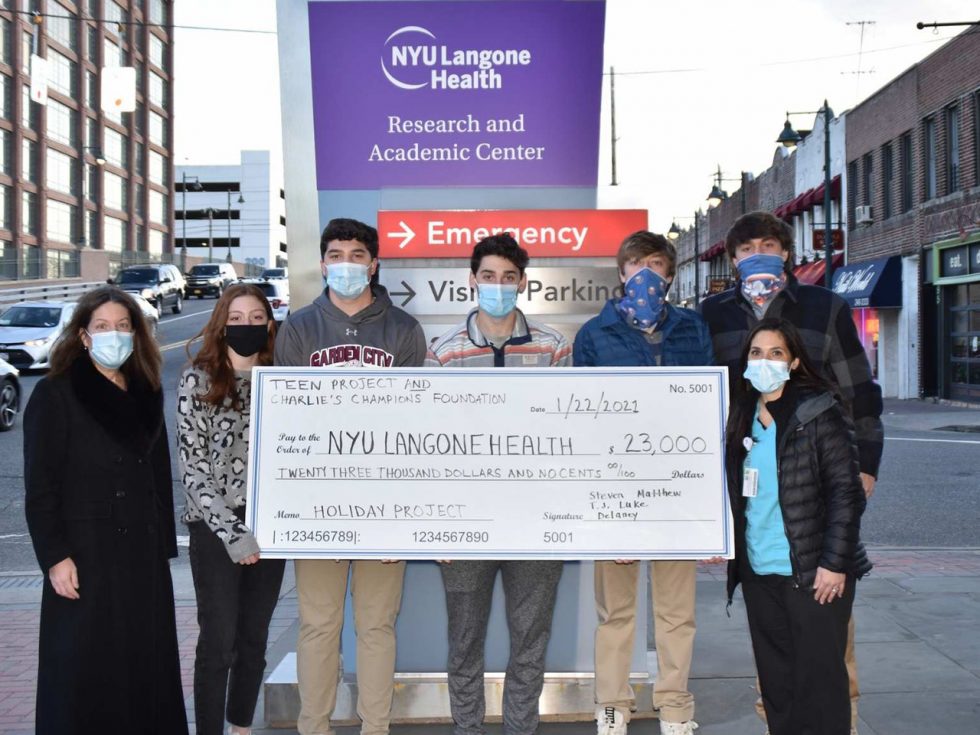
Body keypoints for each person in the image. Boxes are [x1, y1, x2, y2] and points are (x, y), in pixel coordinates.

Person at [700, 211, 883, 733]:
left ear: (785, 251)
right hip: (757, 509)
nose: (757, 253)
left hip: (819, 485)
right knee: (774, 658)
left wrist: (864, 465)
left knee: (826, 648)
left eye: (768, 244)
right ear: (733, 259)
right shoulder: (713, 316)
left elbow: (860, 392)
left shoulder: (824, 307)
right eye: (745, 247)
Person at [274, 217, 427, 735]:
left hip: (385, 501)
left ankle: (375, 727)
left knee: (377, 625)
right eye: (336, 254)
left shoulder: (403, 329)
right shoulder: (297, 328)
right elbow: (288, 424)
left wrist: (402, 513)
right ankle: (313, 727)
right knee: (319, 625)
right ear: (322, 263)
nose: (346, 264)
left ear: (374, 263)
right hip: (319, 502)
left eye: (357, 255)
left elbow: (415, 425)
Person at [23, 286, 188, 735]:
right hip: (84, 555)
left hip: (141, 556)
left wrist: (163, 549)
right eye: (102, 327)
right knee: (83, 669)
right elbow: (40, 487)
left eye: (122, 326)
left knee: (142, 664)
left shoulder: (145, 388)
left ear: (136, 333)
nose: (113, 334)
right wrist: (54, 557)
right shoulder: (56, 393)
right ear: (82, 335)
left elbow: (156, 477)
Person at [426, 233, 570, 735]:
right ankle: (467, 730)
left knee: (530, 640)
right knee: (464, 641)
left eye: (509, 278)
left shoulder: (554, 347)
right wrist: (439, 522)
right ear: (472, 280)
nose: (498, 286)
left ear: (523, 283)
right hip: (465, 522)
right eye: (488, 276)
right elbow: (429, 442)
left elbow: (569, 436)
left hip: (535, 522)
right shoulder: (443, 352)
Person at [573, 231, 714, 735]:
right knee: (616, 611)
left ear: (671, 274)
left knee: (677, 611)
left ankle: (675, 705)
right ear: (621, 273)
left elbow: (705, 412)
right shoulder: (595, 334)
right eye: (636, 265)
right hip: (617, 492)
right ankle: (612, 703)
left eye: (656, 264)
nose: (646, 274)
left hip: (675, 490)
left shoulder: (693, 330)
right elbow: (582, 421)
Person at [725, 318, 871, 735]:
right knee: (777, 683)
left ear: (792, 363)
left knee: (820, 684)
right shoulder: (741, 415)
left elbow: (847, 493)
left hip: (812, 571)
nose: (764, 361)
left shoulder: (819, 411)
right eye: (756, 353)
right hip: (759, 570)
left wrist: (834, 563)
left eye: (776, 353)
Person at [177, 284, 287, 735]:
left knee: (254, 638)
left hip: (271, 525)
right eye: (236, 317)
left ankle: (239, 724)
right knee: (218, 641)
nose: (246, 325)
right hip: (214, 528)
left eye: (256, 316)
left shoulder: (282, 379)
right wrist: (232, 532)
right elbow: (193, 467)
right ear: (221, 322)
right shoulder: (197, 379)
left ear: (269, 323)